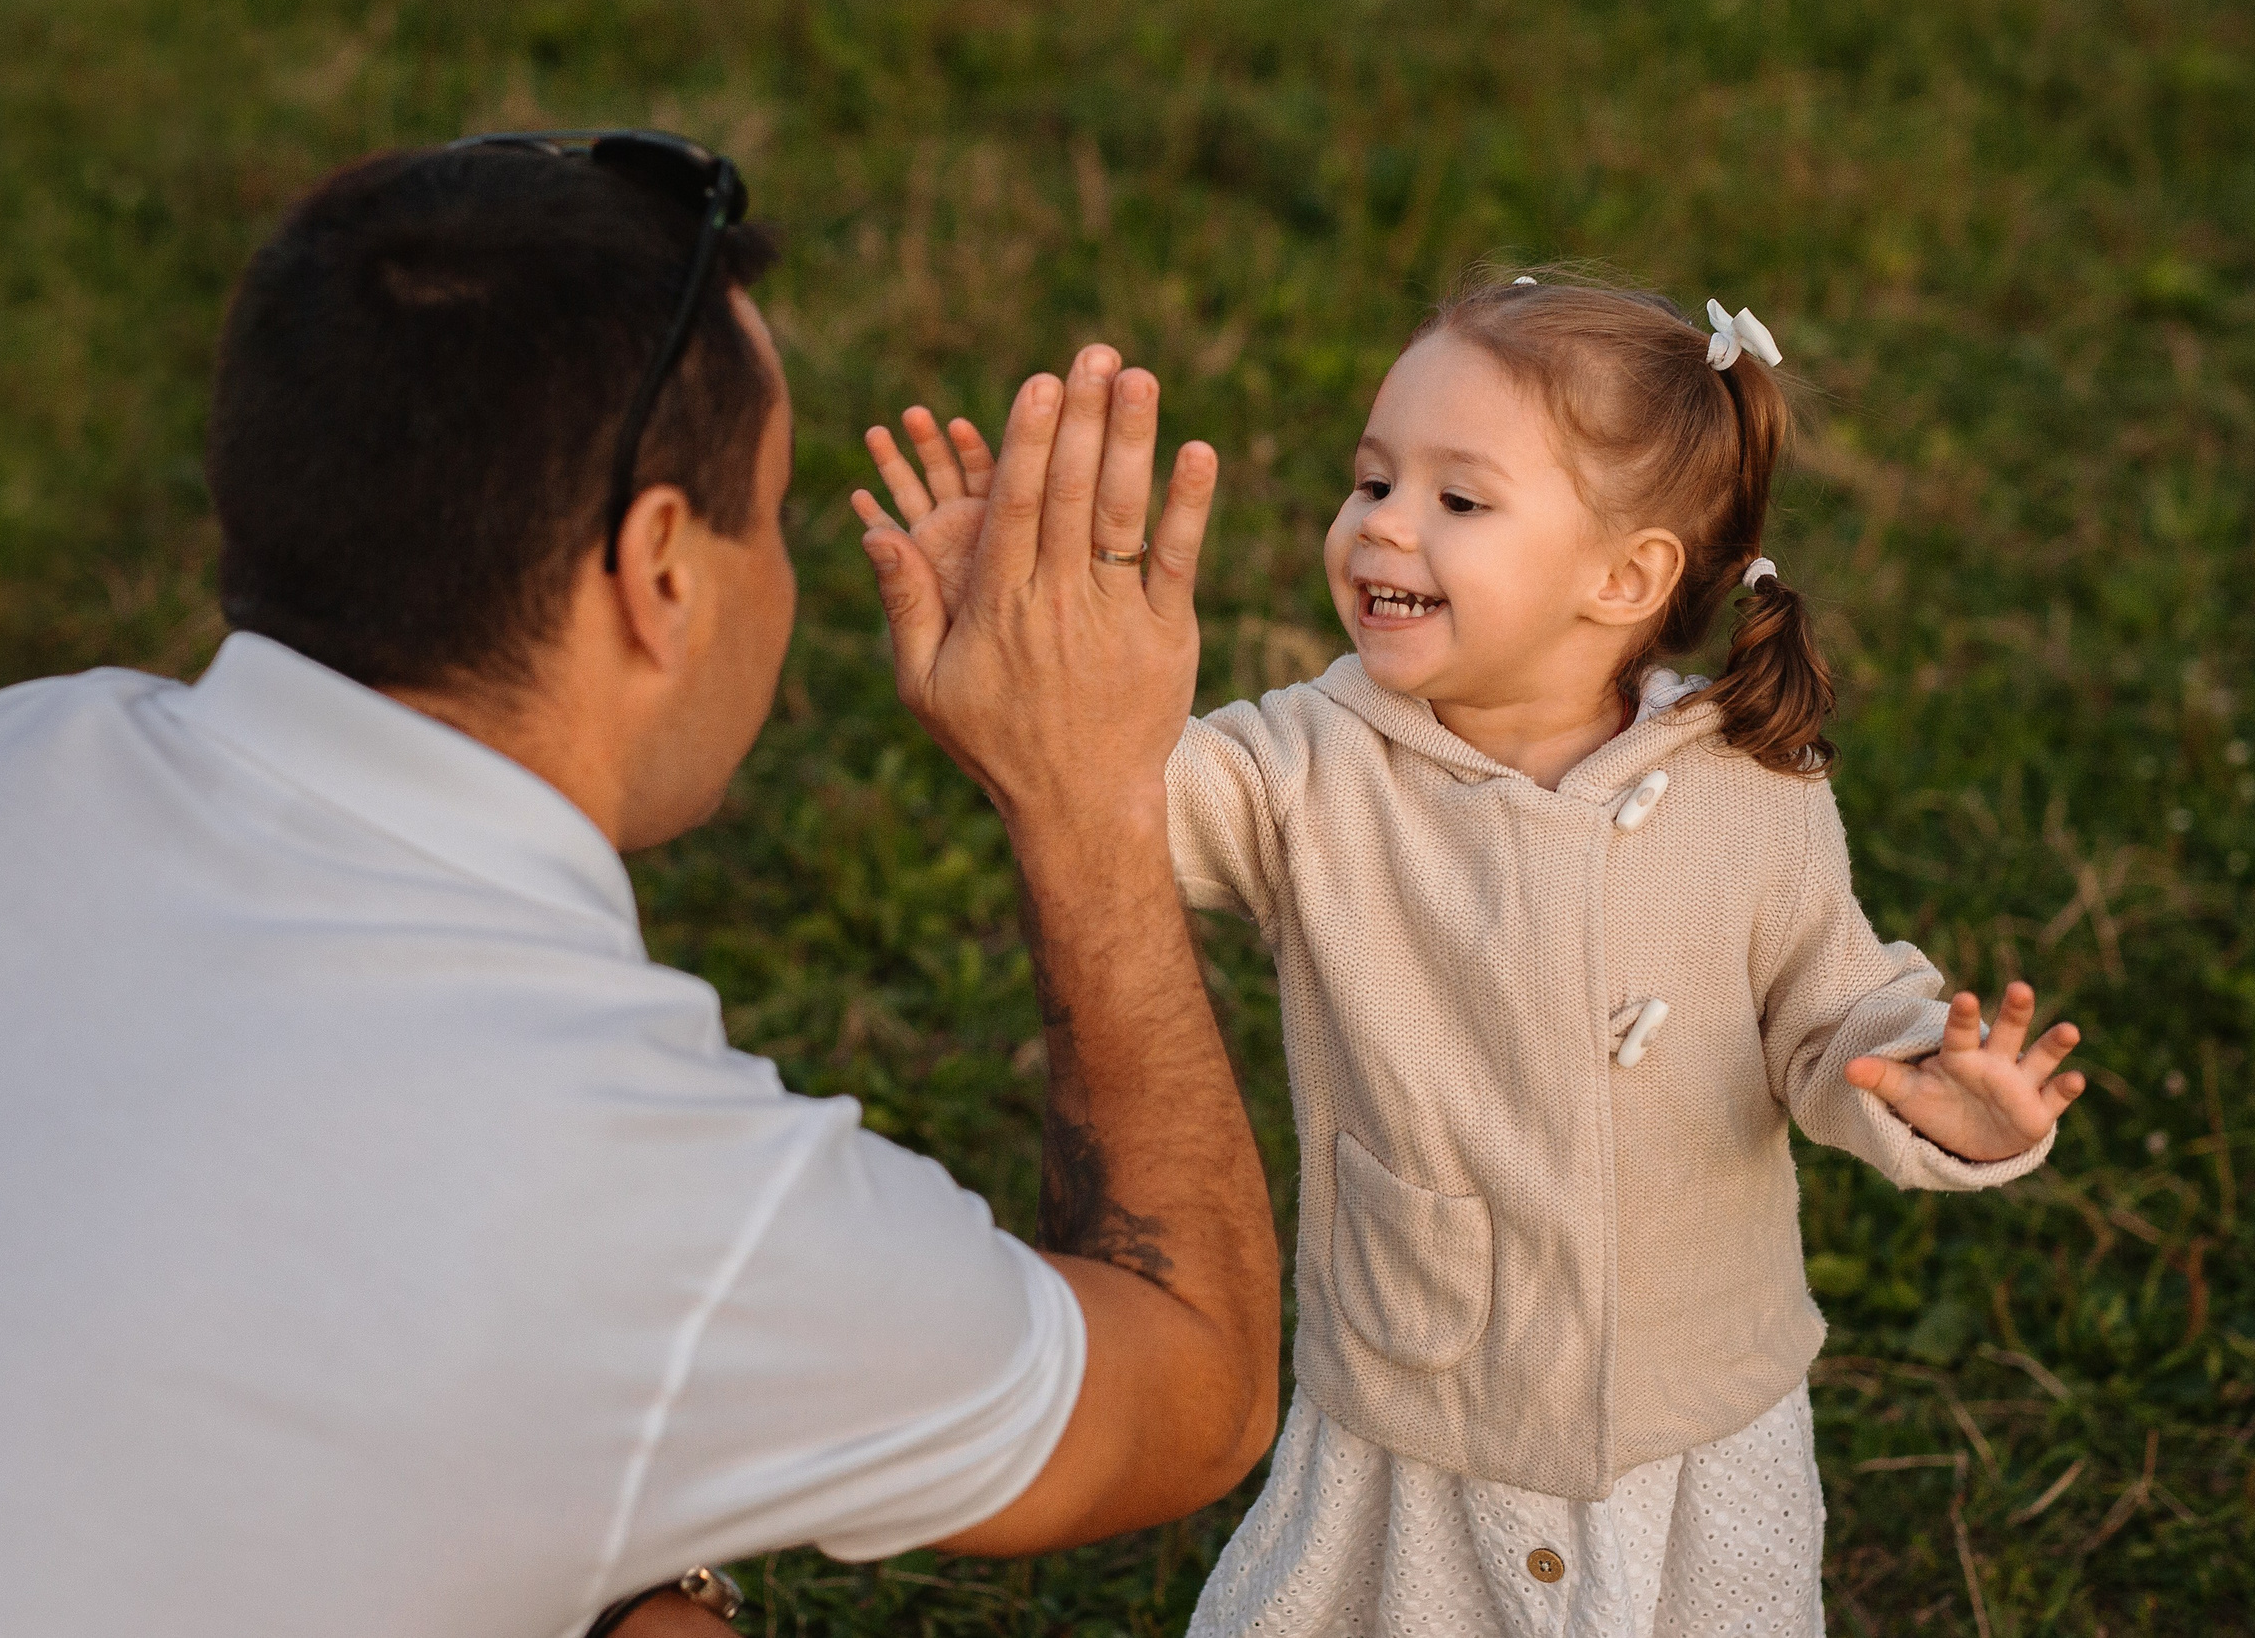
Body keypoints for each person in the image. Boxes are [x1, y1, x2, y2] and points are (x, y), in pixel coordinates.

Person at [0, 135, 1280, 1638]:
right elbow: (1194, 1386)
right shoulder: (655, 1192)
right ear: (660, 570)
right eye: (774, 521)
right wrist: (1083, 806)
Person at [851, 271, 2087, 1636]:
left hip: (1695, 1420)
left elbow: (1829, 998)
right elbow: (1115, 810)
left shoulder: (1754, 789)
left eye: (1457, 499)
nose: (1383, 525)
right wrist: (1035, 670)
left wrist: (1921, 1073)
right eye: (1371, 480)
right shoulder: (1312, 766)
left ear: (1627, 577)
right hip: (1426, 1407)